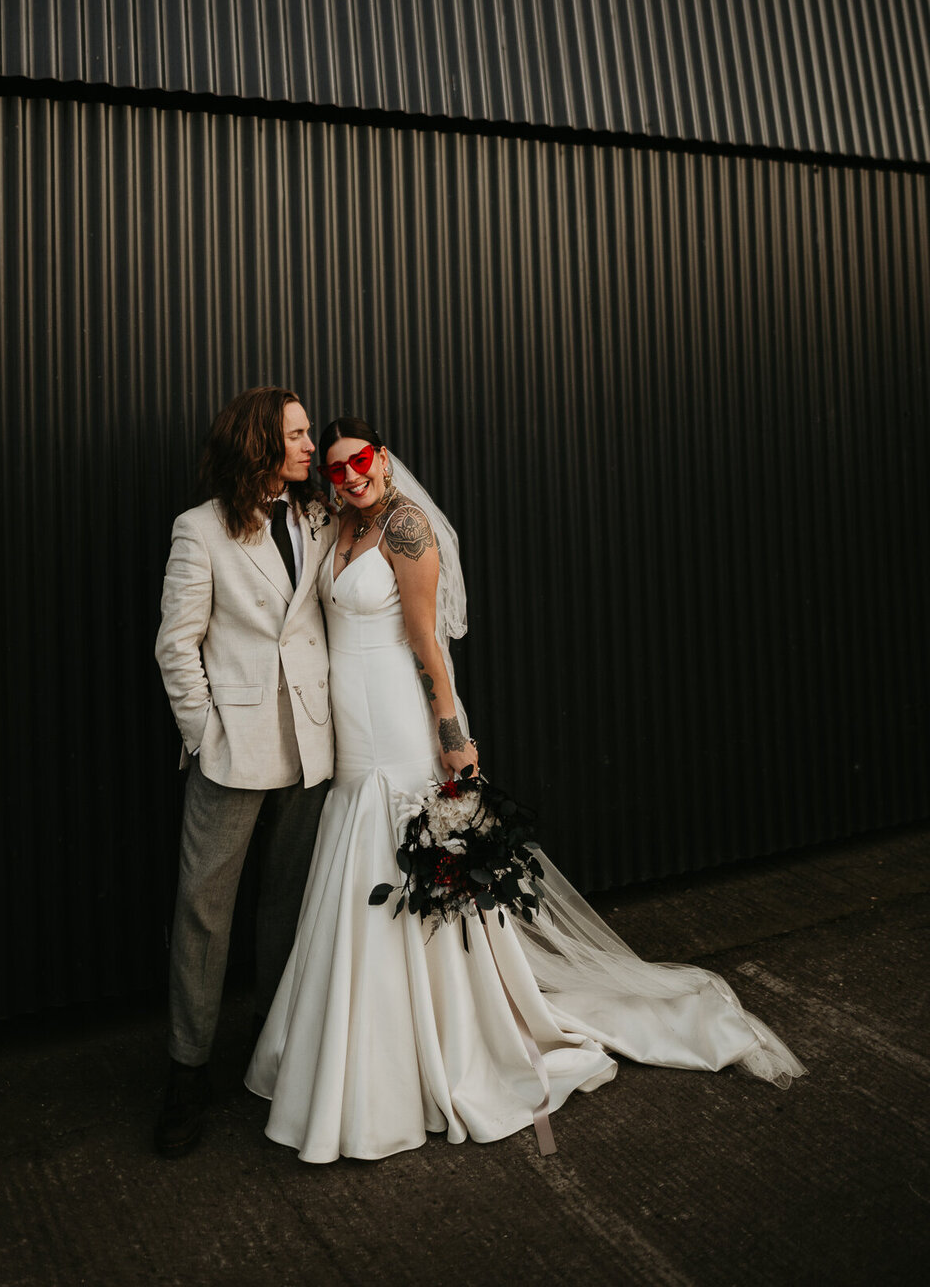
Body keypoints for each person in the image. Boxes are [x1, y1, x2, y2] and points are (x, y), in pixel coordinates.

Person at [246, 415, 806, 1164]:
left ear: (386, 457)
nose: (352, 476)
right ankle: (355, 1038)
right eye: (338, 468)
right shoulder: (338, 526)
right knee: (356, 868)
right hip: (348, 734)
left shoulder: (407, 530)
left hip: (395, 724)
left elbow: (426, 647)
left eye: (364, 461)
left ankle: (432, 1046)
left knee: (399, 869)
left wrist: (454, 740)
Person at [154, 387, 335, 1156]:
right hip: (234, 749)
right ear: (258, 442)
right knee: (204, 912)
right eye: (294, 434)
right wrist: (206, 733)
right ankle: (185, 1076)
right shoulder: (199, 529)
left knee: (287, 906)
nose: (308, 446)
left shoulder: (317, 517)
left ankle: (272, 1053)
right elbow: (176, 646)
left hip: (314, 744)